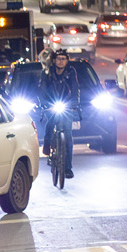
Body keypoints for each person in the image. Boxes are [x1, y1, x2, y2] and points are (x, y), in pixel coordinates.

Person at [39, 48, 81, 178]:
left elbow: (75, 89)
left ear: (67, 61)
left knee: (67, 134)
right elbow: (42, 90)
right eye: (58, 59)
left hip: (67, 106)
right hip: (51, 104)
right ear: (54, 60)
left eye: (64, 59)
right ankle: (47, 144)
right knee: (50, 124)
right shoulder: (47, 72)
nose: (61, 62)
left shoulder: (71, 72)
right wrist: (45, 104)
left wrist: (74, 104)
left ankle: (68, 167)